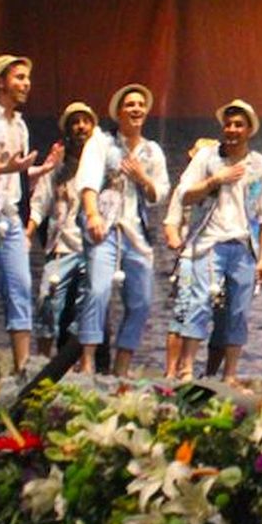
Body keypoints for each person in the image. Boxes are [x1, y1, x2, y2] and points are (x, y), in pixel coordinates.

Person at [172, 101, 262, 385]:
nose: (232, 130)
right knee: (200, 302)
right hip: (209, 242)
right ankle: (186, 370)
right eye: (228, 124)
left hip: (243, 246)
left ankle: (230, 374)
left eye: (238, 125)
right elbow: (184, 194)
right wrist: (214, 180)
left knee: (238, 310)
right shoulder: (208, 157)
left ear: (249, 130)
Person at [0, 55, 58, 372]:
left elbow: (15, 174)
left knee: (20, 287)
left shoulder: (19, 125)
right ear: (1, 81)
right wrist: (10, 168)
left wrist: (39, 170)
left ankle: (22, 368)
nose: (26, 84)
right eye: (19, 77)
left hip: (9, 217)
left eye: (27, 78)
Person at [75, 83, 170, 376]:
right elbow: (88, 181)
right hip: (105, 227)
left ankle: (122, 367)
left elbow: (159, 194)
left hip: (137, 234)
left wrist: (143, 178)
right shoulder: (102, 143)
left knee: (141, 302)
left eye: (141, 104)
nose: (136, 109)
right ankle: (88, 361)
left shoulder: (152, 151)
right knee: (98, 291)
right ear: (118, 112)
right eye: (130, 104)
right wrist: (92, 216)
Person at [27, 102, 95, 358]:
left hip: (92, 249)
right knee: (47, 301)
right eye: (75, 122)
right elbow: (40, 202)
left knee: (85, 310)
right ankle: (42, 361)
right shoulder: (57, 166)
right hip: (61, 247)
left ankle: (75, 366)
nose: (80, 127)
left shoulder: (101, 165)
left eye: (85, 121)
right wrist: (28, 232)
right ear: (67, 129)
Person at [162, 137, 217, 381]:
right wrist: (176, 240)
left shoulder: (221, 192)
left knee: (211, 314)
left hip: (213, 257)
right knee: (183, 312)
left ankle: (205, 371)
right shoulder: (183, 192)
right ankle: (172, 369)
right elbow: (171, 223)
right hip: (188, 257)